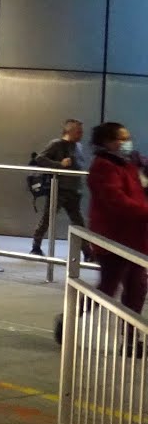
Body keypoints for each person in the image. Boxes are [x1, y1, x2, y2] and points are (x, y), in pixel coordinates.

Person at [85, 122, 148, 353]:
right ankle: (71, 315)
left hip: (136, 238)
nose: (125, 142)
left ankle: (131, 340)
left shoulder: (131, 163)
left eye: (126, 137)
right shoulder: (103, 167)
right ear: (106, 141)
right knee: (108, 289)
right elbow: (117, 201)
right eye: (119, 138)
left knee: (137, 289)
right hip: (113, 239)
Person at [31, 119, 88, 256]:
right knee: (48, 218)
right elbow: (39, 159)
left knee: (78, 222)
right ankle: (36, 246)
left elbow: (79, 164)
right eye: (78, 131)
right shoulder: (56, 144)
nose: (81, 134)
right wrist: (59, 165)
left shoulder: (78, 146)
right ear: (69, 131)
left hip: (73, 190)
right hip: (59, 189)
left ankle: (87, 252)